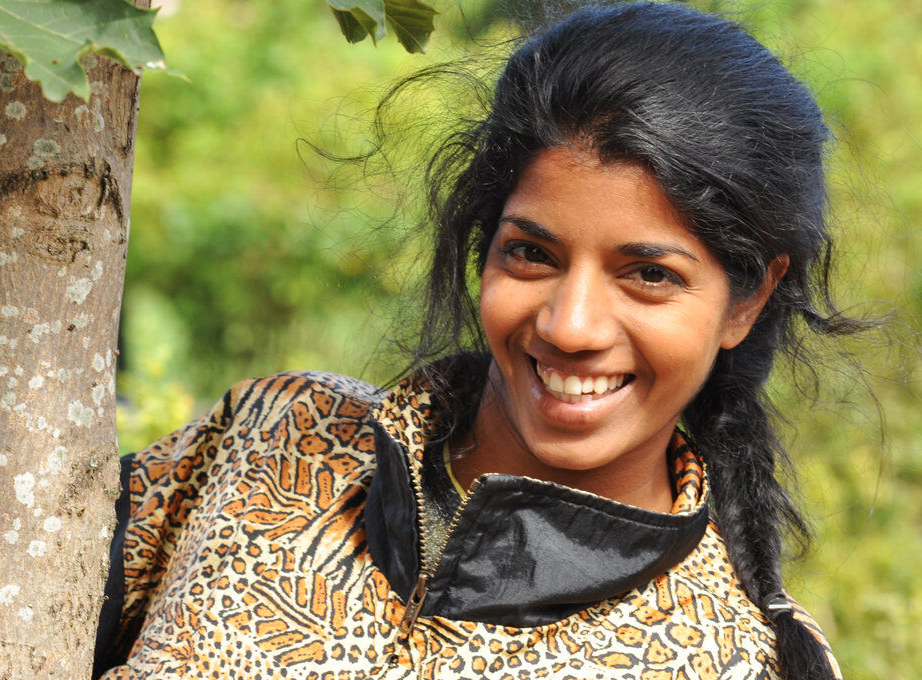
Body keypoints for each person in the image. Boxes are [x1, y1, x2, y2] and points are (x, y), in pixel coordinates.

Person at [93, 2, 862, 678]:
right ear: (484, 246)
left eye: (649, 275)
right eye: (533, 254)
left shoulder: (730, 659)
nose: (570, 326)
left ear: (748, 299)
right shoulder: (277, 438)